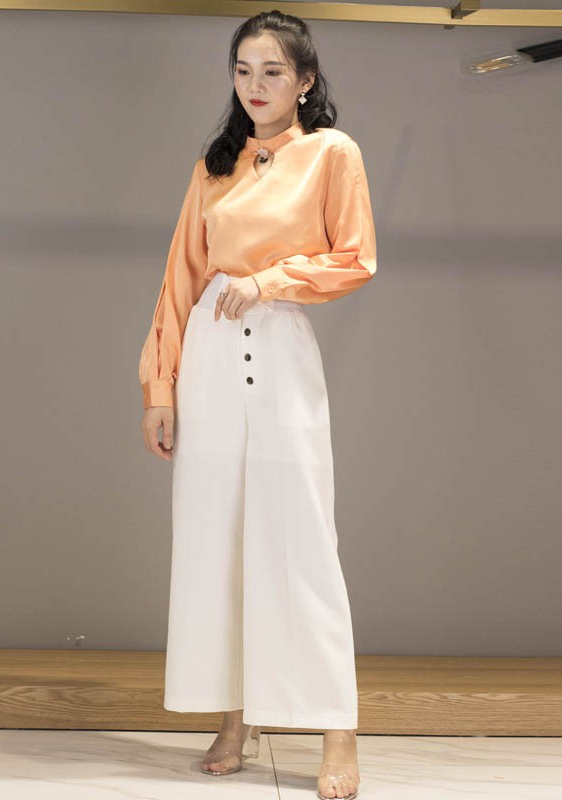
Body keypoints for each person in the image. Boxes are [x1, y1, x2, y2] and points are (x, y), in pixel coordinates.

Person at [138, 10, 377, 800]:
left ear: (304, 80)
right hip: (208, 359)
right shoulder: (215, 165)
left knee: (302, 537)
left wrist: (270, 281)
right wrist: (160, 386)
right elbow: (179, 278)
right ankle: (235, 718)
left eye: (272, 71)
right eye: (243, 70)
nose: (256, 85)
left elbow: (355, 259)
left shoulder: (332, 154)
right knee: (216, 539)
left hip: (278, 349)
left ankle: (337, 728)